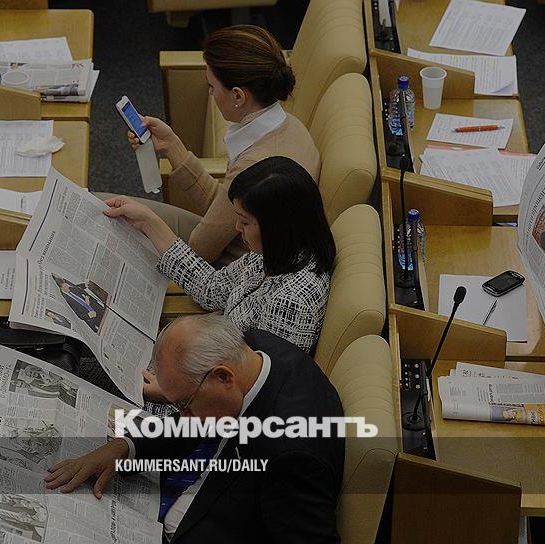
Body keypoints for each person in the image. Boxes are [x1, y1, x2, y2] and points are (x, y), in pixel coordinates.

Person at [44, 314, 345, 543]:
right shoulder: (255, 350)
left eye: (185, 403)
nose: (183, 417)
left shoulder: (292, 455)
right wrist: (123, 447)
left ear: (223, 377)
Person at [103, 156, 334, 407]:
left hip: (197, 403)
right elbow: (211, 288)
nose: (237, 227)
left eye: (245, 221)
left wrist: (171, 392)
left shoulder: (292, 302)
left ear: (276, 227)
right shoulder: (274, 255)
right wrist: (148, 222)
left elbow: (251, 394)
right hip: (191, 373)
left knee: (90, 375)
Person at [118, 25, 320, 266]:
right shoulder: (292, 126)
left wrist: (150, 224)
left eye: (212, 87)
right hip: (236, 250)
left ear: (238, 96)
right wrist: (171, 145)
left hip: (228, 269)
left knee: (114, 216)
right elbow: (225, 209)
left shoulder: (255, 166)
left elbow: (200, 251)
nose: (210, 93)